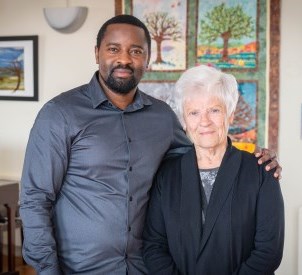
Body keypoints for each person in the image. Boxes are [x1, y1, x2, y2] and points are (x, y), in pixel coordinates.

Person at [19, 15, 282, 275]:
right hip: (79, 268)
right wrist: (48, 269)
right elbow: (35, 199)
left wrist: (257, 161)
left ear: (147, 59)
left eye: (135, 51)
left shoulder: (162, 117)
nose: (124, 59)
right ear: (97, 52)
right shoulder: (60, 115)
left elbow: (201, 152)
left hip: (143, 267)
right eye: (113, 49)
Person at [142, 65, 285, 275]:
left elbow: (268, 252)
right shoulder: (167, 175)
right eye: (194, 112)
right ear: (183, 121)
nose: (204, 121)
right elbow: (154, 246)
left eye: (214, 110)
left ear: (230, 115)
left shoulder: (261, 172)